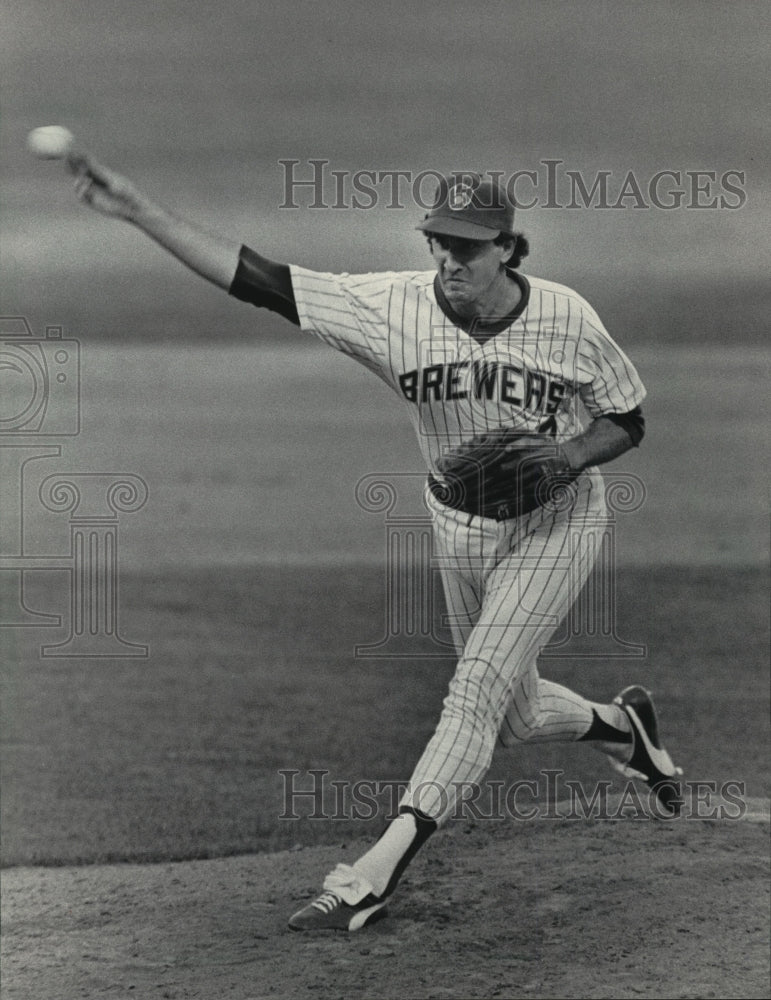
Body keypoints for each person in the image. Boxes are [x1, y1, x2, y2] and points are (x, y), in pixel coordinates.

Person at [68, 157, 683, 933]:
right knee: (515, 715)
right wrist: (139, 211)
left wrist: (567, 455)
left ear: (506, 248)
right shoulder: (389, 307)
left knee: (475, 692)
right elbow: (259, 280)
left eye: (467, 247)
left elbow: (625, 418)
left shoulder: (566, 317)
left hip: (555, 522)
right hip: (458, 526)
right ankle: (625, 730)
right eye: (439, 243)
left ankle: (374, 873)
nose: (449, 260)